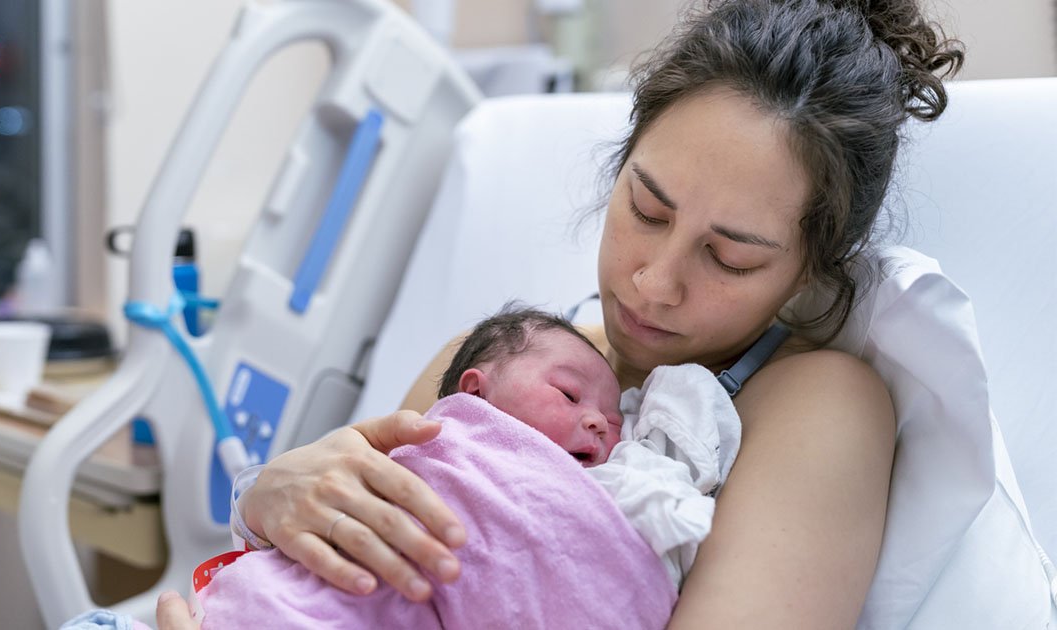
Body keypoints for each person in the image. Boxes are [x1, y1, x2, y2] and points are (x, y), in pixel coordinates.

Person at [159, 0, 965, 626]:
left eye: (730, 257)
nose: (653, 284)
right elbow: (362, 595)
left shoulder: (814, 406)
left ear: (805, 273)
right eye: (647, 209)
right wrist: (269, 499)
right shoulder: (494, 363)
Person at [187, 306, 736, 628]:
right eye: (569, 396)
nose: (599, 422)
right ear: (477, 392)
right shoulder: (452, 431)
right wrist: (259, 494)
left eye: (614, 419)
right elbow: (334, 503)